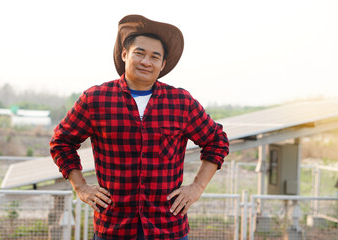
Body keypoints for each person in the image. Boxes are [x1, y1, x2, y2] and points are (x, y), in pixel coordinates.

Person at [50, 14, 229, 240]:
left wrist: (197, 187)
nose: (146, 61)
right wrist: (81, 187)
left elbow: (216, 141)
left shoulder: (181, 102)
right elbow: (62, 142)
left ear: (163, 64)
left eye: (155, 57)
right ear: (124, 55)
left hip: (168, 228)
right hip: (113, 227)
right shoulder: (96, 99)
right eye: (140, 53)